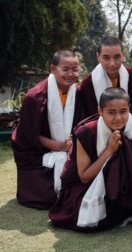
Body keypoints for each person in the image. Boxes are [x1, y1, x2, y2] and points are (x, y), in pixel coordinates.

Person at [49, 88, 132, 231]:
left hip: (126, 188)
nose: (118, 118)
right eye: (111, 112)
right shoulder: (86, 132)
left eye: (123, 111)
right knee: (89, 218)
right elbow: (84, 177)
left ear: (130, 109)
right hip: (87, 186)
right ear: (100, 111)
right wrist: (109, 150)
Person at [11, 50, 84, 209]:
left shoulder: (78, 93)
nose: (71, 74)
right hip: (38, 153)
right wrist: (60, 146)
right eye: (65, 69)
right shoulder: (35, 97)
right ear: (53, 68)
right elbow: (28, 136)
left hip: (70, 150)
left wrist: (71, 145)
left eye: (75, 69)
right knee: (46, 196)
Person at [79, 37, 132, 117]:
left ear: (123, 56)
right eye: (106, 58)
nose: (112, 63)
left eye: (117, 57)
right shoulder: (88, 84)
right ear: (98, 57)